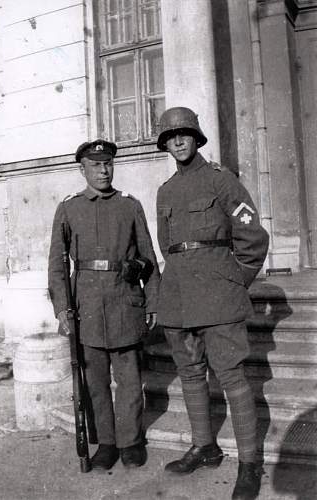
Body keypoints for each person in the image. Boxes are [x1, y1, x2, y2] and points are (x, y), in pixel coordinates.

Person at [156, 107, 269, 499]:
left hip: (219, 297)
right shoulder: (165, 191)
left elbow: (253, 237)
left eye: (184, 133)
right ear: (165, 144)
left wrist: (235, 282)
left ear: (197, 137)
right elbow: (166, 246)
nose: (178, 141)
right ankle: (205, 447)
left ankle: (251, 462)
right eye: (171, 136)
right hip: (179, 298)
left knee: (232, 377)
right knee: (190, 374)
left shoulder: (222, 181)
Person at [48, 139, 160, 471]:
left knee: (128, 379)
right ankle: (107, 444)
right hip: (86, 308)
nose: (103, 170)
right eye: (95, 165)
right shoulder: (69, 208)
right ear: (82, 169)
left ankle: (130, 442)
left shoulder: (130, 205)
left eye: (108, 163)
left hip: (125, 302)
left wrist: (152, 302)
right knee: (94, 381)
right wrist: (61, 309)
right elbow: (57, 265)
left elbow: (148, 258)